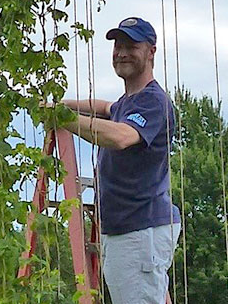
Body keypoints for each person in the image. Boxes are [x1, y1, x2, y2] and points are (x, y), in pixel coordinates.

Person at [61, 17, 181, 304]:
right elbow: (104, 107)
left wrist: (63, 119)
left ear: (151, 51)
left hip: (139, 232)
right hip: (131, 230)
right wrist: (61, 104)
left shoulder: (154, 101)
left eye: (131, 45)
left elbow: (122, 136)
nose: (121, 52)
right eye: (118, 45)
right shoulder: (130, 101)